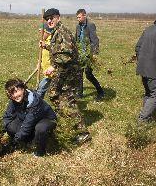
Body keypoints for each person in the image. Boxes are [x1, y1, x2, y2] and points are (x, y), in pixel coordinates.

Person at [39, 8, 90, 143]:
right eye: (47, 19)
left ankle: (83, 132)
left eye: (52, 18)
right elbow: (59, 49)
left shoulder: (63, 32)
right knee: (55, 95)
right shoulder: (57, 32)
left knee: (67, 100)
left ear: (58, 18)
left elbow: (66, 55)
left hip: (68, 74)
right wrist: (46, 46)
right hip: (63, 72)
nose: (49, 21)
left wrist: (53, 67)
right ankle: (67, 122)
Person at [2, 78, 57, 157]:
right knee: (11, 126)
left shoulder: (34, 102)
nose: (15, 95)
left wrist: (14, 141)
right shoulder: (14, 101)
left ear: (23, 88)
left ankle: (40, 152)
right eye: (11, 94)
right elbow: (7, 117)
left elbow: (27, 125)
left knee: (40, 128)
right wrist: (3, 133)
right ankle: (29, 140)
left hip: (46, 119)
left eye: (16, 91)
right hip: (29, 121)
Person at [75, 9, 105, 101]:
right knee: (79, 74)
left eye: (79, 17)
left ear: (84, 16)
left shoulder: (90, 25)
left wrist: (93, 54)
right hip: (80, 54)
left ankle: (100, 91)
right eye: (77, 17)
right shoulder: (78, 26)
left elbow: (95, 41)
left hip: (88, 55)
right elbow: (76, 39)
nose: (78, 19)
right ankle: (79, 94)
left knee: (88, 74)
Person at [36, 23, 54, 99]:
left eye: (42, 32)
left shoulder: (51, 42)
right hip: (47, 71)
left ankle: (37, 103)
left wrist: (52, 67)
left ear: (48, 32)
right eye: (40, 32)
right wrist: (39, 63)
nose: (41, 34)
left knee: (41, 89)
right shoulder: (43, 41)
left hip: (52, 71)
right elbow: (42, 55)